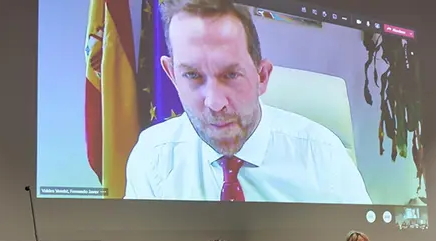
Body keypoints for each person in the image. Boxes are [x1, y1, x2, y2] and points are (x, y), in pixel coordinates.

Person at [124, 0, 371, 204]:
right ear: (172, 75)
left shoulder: (324, 156)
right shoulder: (152, 158)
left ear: (262, 76)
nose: (215, 103)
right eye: (192, 75)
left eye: (231, 74)